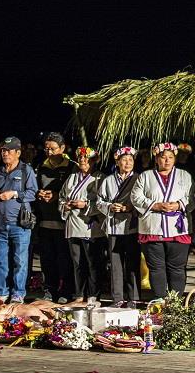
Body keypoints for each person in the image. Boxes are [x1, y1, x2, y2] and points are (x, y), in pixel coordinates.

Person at [130, 141, 195, 298]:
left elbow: (193, 196)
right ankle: (159, 300)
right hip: (153, 227)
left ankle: (175, 302)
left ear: (175, 159)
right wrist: (155, 205)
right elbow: (136, 196)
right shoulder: (145, 176)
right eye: (163, 157)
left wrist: (179, 205)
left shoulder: (184, 176)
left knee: (177, 267)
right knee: (156, 267)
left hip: (177, 228)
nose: (166, 160)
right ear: (156, 158)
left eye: (170, 157)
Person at [0, 136, 39, 303]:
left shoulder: (26, 170)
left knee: (20, 261)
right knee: (1, 261)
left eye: (8, 150)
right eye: (3, 150)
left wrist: (14, 194)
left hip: (20, 224)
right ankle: (1, 293)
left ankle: (18, 293)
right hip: (2, 223)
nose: (5, 153)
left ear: (18, 152)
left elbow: (33, 193)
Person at [59, 146, 106, 303]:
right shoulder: (72, 178)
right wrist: (65, 205)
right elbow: (61, 197)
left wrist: (85, 205)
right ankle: (79, 294)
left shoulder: (100, 178)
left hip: (91, 226)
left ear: (93, 161)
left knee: (93, 262)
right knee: (77, 262)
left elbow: (102, 203)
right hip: (73, 225)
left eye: (86, 159)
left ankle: (94, 294)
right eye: (80, 159)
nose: (83, 161)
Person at [35, 132, 77, 302]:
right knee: (47, 260)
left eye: (53, 149)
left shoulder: (71, 167)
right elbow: (34, 187)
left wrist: (57, 195)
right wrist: (39, 193)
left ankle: (66, 291)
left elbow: (75, 189)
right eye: (47, 148)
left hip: (63, 222)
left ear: (62, 148)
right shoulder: (40, 167)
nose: (49, 152)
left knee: (64, 260)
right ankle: (49, 290)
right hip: (45, 221)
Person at [97, 146, 141, 307]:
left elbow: (143, 199)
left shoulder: (139, 178)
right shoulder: (108, 180)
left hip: (132, 226)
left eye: (130, 160)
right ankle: (117, 298)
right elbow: (99, 201)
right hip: (114, 227)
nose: (128, 163)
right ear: (117, 162)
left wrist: (130, 208)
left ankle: (134, 297)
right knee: (115, 263)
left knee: (132, 262)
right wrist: (109, 206)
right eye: (124, 160)